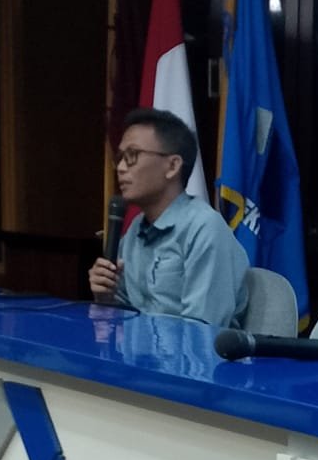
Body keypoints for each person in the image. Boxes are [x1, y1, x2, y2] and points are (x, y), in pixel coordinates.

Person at [89, 108, 249, 327]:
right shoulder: (135, 230)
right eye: (120, 158)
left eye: (132, 156)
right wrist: (106, 297)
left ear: (172, 166)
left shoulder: (204, 228)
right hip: (140, 347)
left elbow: (201, 331)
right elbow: (124, 317)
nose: (121, 168)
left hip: (188, 348)